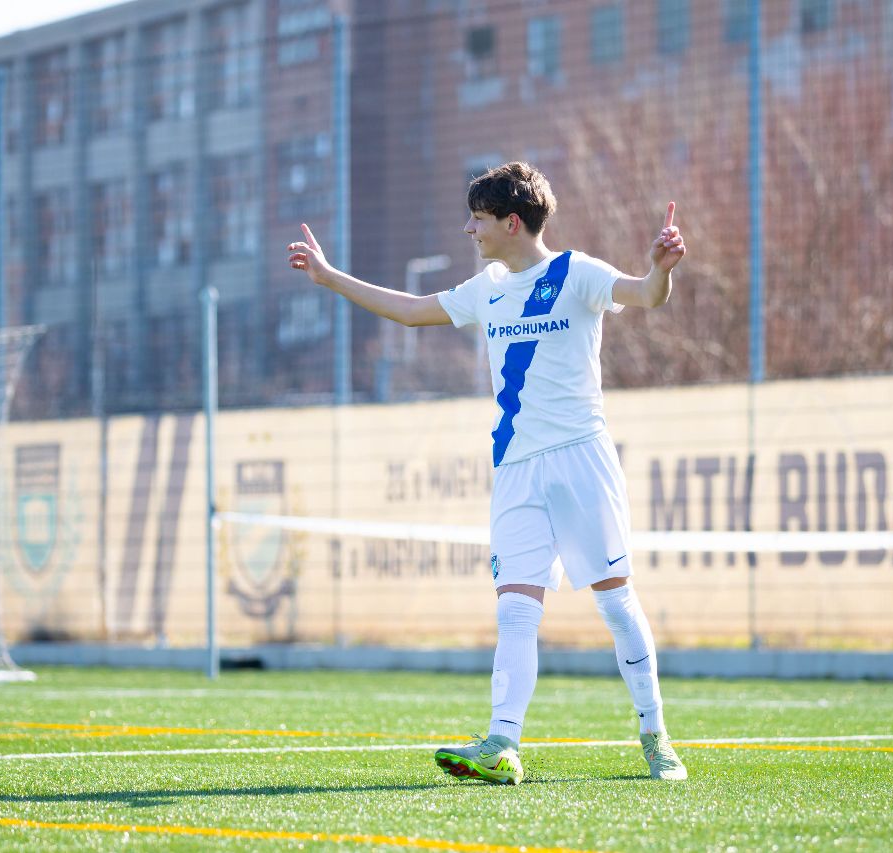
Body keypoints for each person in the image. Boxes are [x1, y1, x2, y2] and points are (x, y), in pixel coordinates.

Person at [287, 161, 687, 784]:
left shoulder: (577, 272)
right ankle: (502, 743)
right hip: (516, 470)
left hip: (581, 459)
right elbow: (412, 311)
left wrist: (661, 269)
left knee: (614, 602)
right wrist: (329, 276)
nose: (468, 229)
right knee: (516, 611)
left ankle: (655, 736)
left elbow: (644, 294)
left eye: (477, 218)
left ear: (511, 222)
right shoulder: (488, 288)